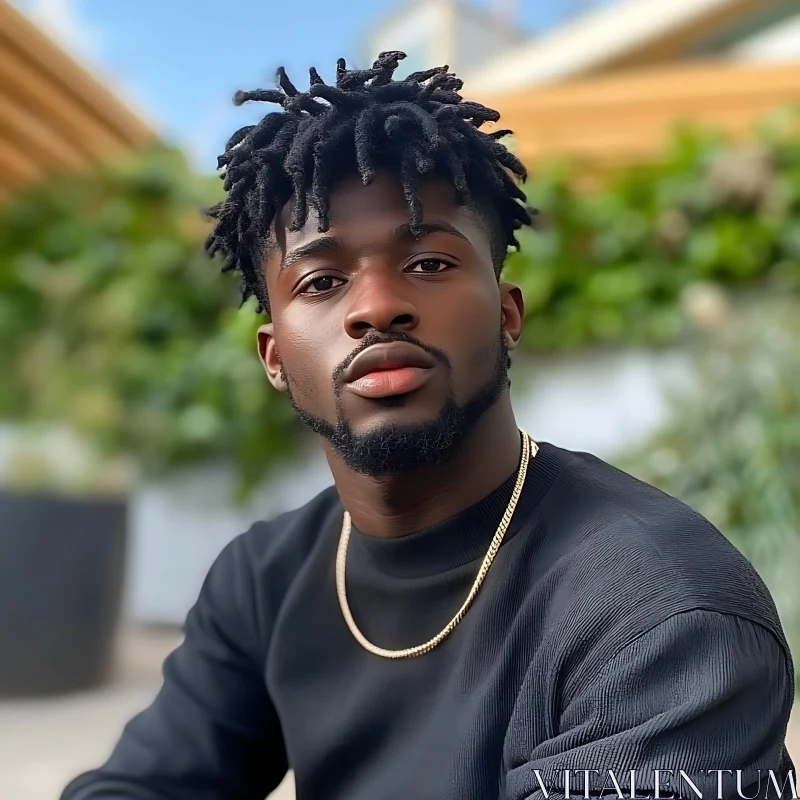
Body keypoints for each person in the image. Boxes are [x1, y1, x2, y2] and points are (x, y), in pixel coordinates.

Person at [62, 52, 795, 800]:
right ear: (274, 356)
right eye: (321, 281)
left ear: (509, 315)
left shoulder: (662, 613)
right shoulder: (265, 578)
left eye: (432, 263)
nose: (377, 306)